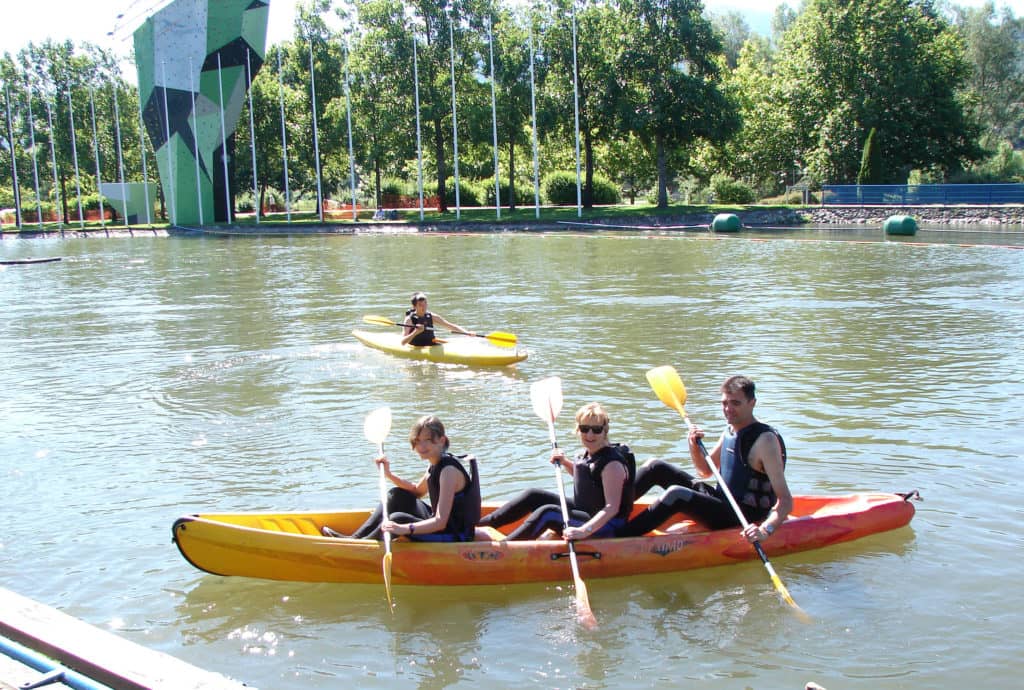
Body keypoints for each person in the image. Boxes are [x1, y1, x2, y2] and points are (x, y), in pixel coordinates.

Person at [623, 375, 792, 543]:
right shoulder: (731, 430)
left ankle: (617, 537)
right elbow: (705, 470)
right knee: (655, 466)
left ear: (752, 403)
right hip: (722, 501)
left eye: (736, 403)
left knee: (677, 494)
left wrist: (764, 530)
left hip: (742, 516)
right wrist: (693, 445)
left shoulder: (765, 440)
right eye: (724, 403)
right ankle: (607, 514)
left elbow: (785, 501)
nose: (728, 409)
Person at [477, 403, 636, 541]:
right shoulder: (589, 453)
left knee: (549, 513)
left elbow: (612, 508)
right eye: (584, 428)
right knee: (534, 495)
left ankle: (504, 550)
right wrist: (565, 462)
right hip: (585, 511)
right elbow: (590, 481)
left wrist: (583, 531)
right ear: (578, 429)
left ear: (605, 431)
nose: (589, 435)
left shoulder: (612, 464)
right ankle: (475, 528)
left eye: (596, 430)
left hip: (605, 526)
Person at [322, 415, 480, 541]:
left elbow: (440, 522)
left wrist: (403, 529)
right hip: (441, 524)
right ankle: (356, 539)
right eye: (417, 441)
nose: (421, 447)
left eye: (427, 440)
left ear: (442, 441)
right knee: (396, 494)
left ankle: (362, 547)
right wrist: (389, 474)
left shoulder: (448, 471)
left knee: (397, 518)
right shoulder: (435, 464)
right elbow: (417, 491)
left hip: (454, 534)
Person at [402, 292, 475, 346]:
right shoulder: (409, 320)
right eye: (420, 305)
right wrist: (416, 332)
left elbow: (451, 326)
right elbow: (402, 342)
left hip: (431, 344)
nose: (424, 307)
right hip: (416, 346)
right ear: (414, 307)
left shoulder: (432, 316)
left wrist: (467, 333)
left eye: (425, 304)